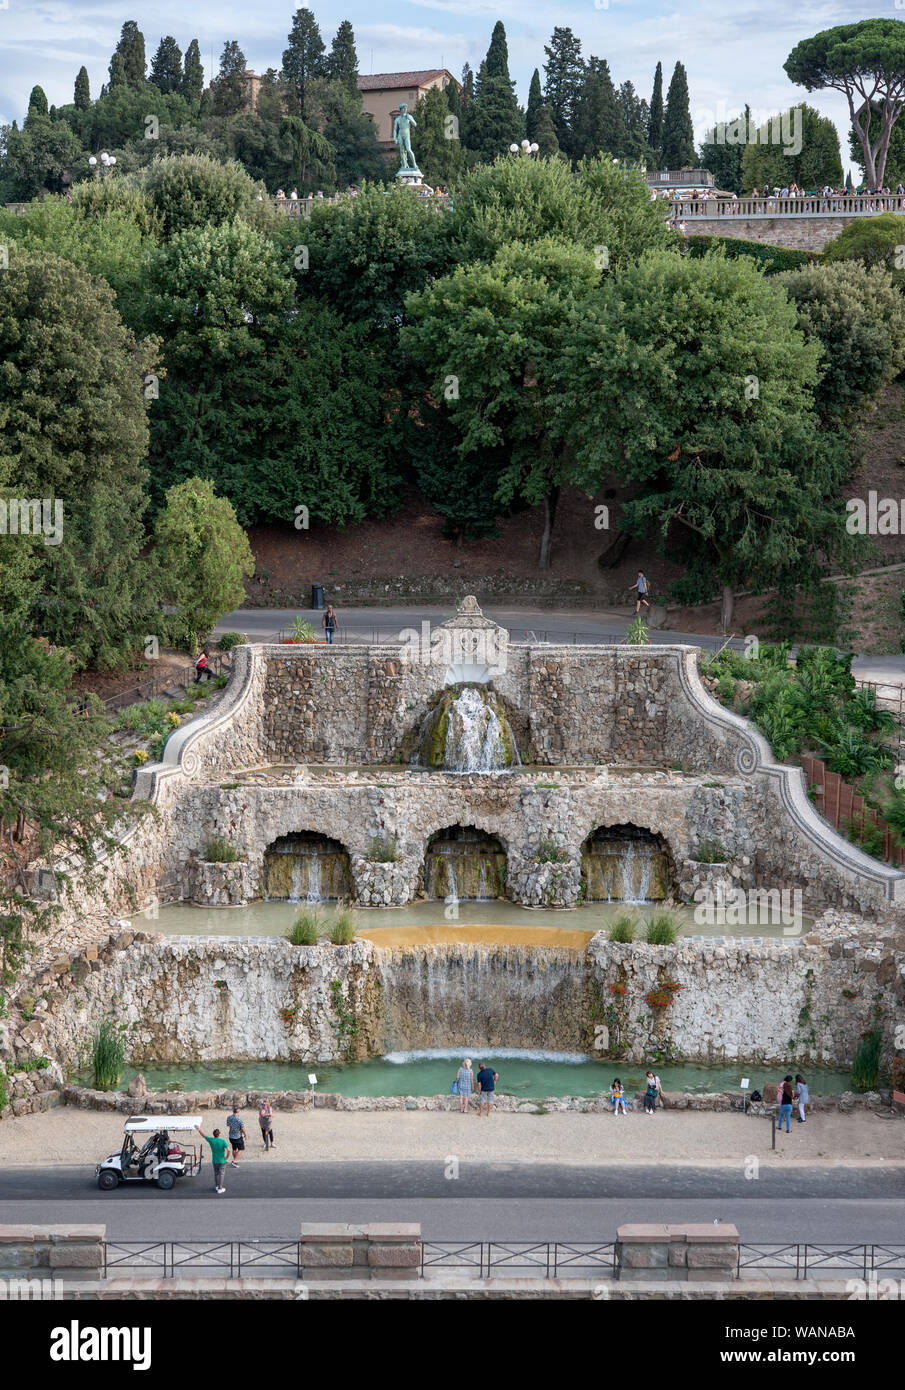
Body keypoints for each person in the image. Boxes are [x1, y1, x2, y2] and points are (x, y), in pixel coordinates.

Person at [195, 1123, 229, 1193]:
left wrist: (199, 1129)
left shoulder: (211, 1140)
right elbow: (229, 1150)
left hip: (214, 1160)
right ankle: (220, 1188)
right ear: (219, 1134)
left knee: (216, 1174)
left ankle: (217, 1186)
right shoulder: (222, 1141)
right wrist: (226, 1157)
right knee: (221, 1174)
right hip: (222, 1160)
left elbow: (204, 1135)